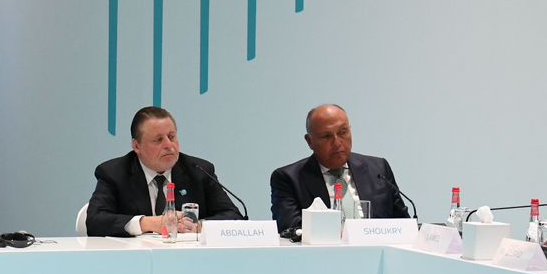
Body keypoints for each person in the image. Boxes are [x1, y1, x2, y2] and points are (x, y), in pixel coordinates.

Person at [86, 106, 242, 237]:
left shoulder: (199, 171)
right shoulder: (114, 173)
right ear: (137, 146)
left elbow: (234, 217)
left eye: (171, 137)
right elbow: (94, 221)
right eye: (158, 140)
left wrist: (200, 227)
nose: (169, 145)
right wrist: (148, 223)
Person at [270, 104, 408, 236]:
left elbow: (405, 225)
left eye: (343, 132)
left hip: (378, 249)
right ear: (310, 141)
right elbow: (290, 230)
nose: (337, 143)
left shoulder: (378, 169)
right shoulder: (289, 179)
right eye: (327, 136)